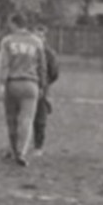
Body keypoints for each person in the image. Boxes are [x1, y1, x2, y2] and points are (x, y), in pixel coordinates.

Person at [0, 13, 46, 167]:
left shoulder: (7, 40)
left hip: (13, 82)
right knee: (27, 119)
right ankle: (22, 152)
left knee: (11, 119)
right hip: (31, 83)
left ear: (14, 24)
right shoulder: (37, 41)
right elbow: (42, 66)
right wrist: (42, 85)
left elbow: (4, 64)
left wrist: (1, 84)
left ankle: (13, 150)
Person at [32, 24, 60, 156]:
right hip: (28, 84)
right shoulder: (29, 50)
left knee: (40, 118)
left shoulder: (49, 53)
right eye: (36, 35)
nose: (38, 38)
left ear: (44, 38)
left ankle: (38, 146)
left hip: (42, 87)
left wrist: (45, 84)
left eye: (41, 36)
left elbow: (54, 73)